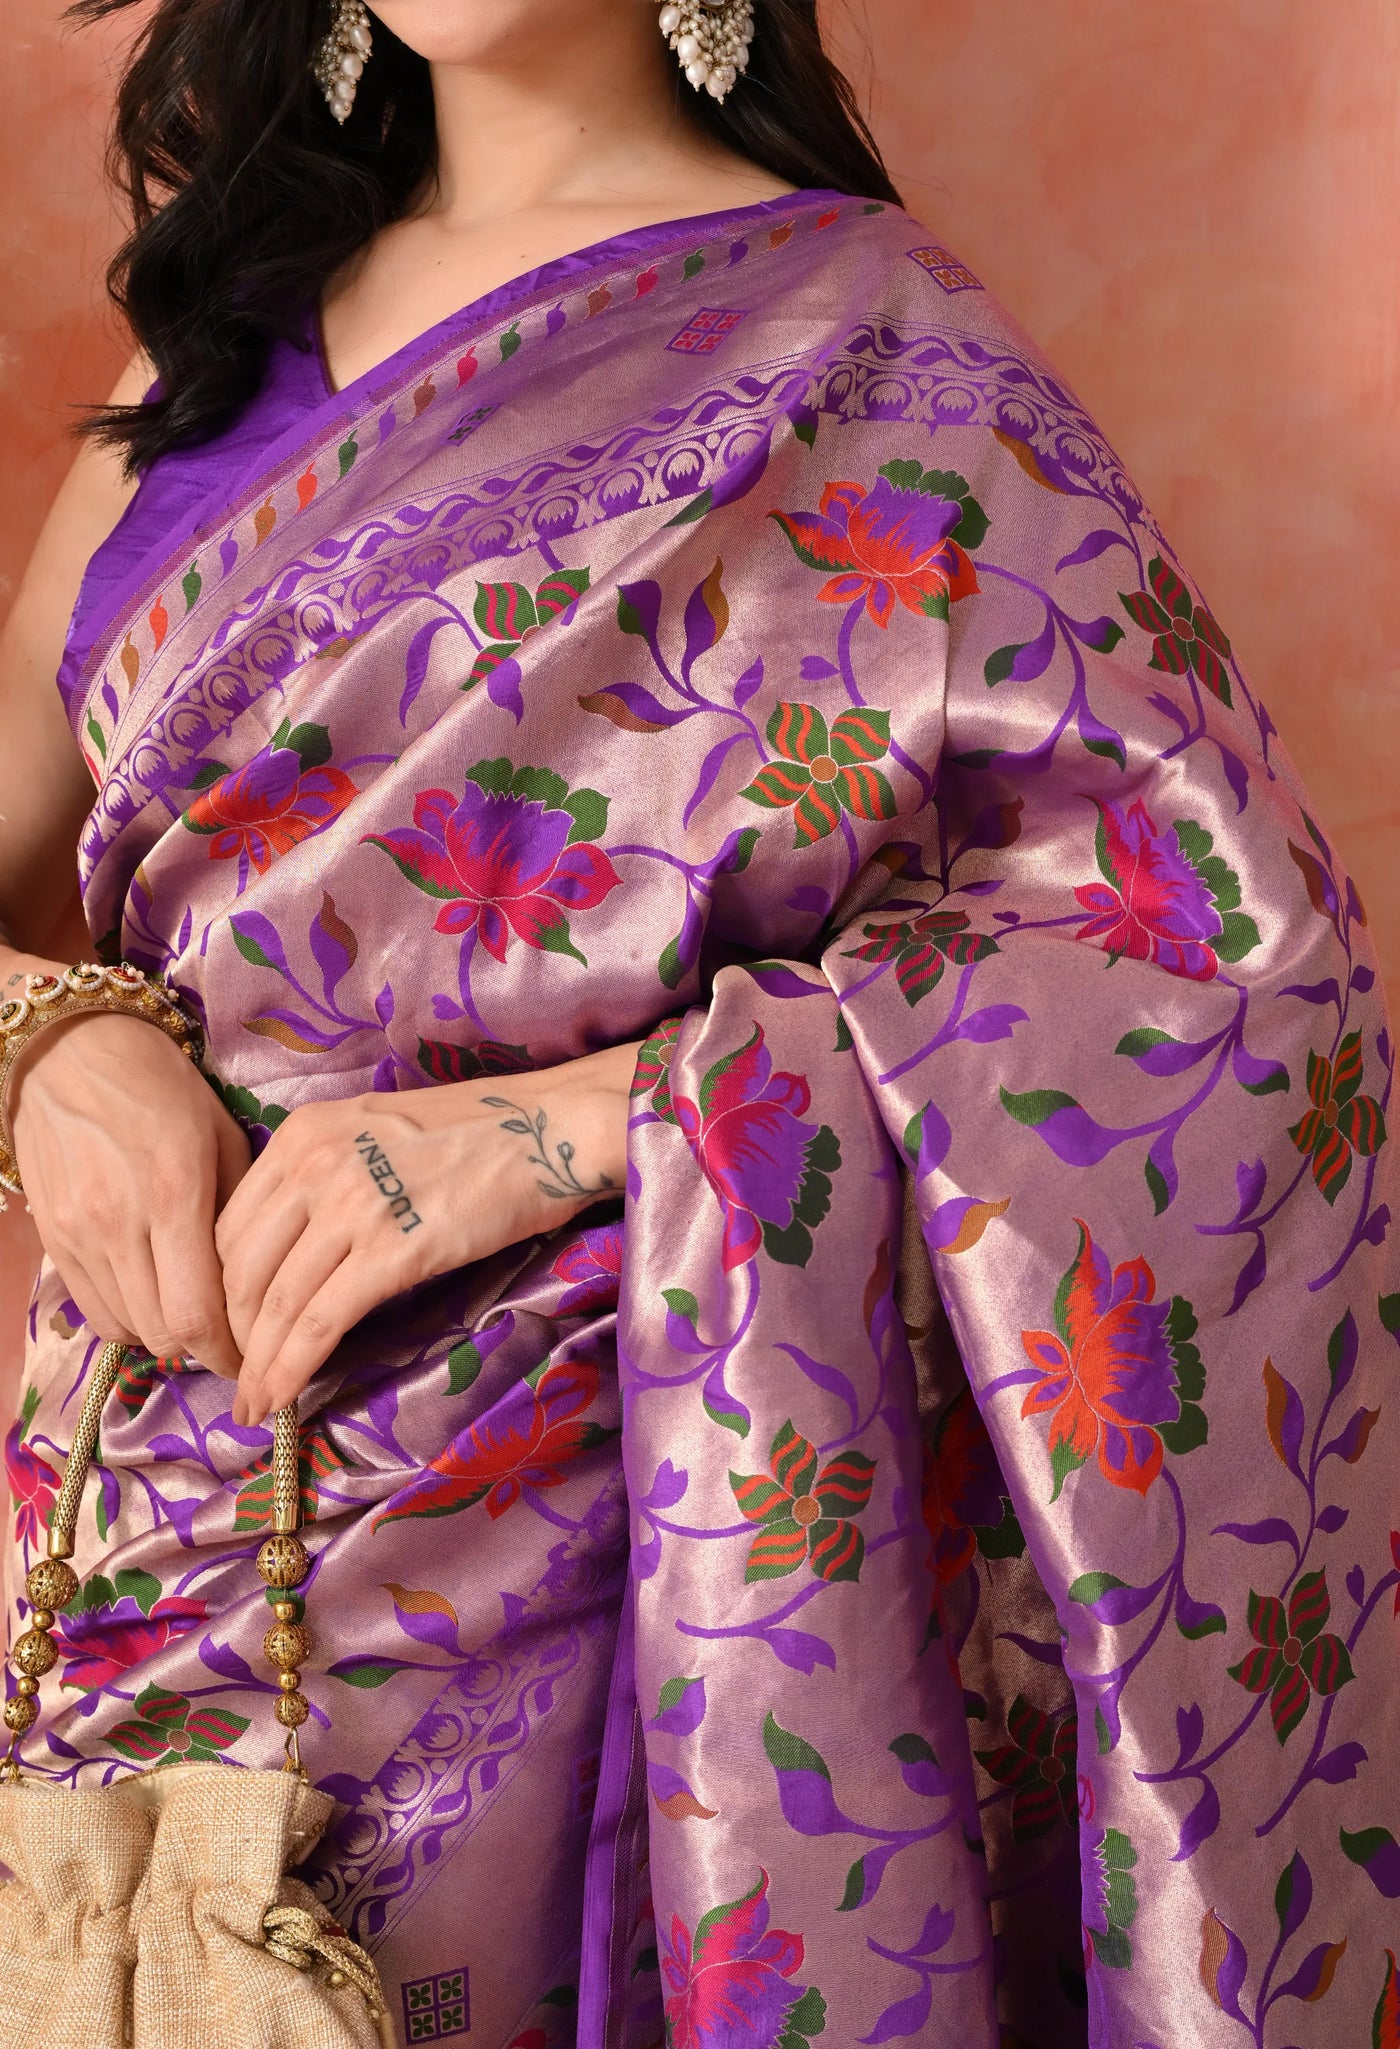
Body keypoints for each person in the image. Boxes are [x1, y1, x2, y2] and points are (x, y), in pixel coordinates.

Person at [1, 1, 1395, 2042]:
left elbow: (1231, 1000)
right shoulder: (210, 348)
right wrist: (54, 1043)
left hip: (616, 1594)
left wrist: (559, 1123)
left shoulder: (873, 355)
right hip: (117, 1544)